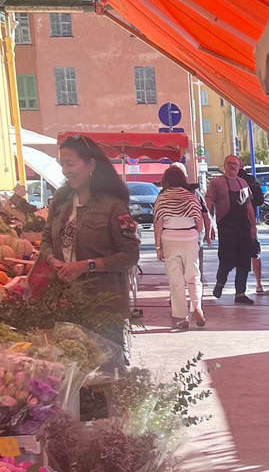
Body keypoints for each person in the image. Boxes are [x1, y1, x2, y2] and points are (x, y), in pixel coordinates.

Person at [38, 134, 140, 350]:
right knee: (71, 368)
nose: (65, 170)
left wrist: (85, 266)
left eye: (70, 163)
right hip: (64, 302)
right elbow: (46, 239)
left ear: (91, 164)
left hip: (102, 304)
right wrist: (52, 260)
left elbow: (130, 255)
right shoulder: (60, 198)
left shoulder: (113, 205)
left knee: (106, 371)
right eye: (62, 164)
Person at [153, 165, 206, 330]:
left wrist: (158, 247)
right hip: (190, 237)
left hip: (169, 238)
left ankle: (181, 317)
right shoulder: (191, 197)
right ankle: (196, 306)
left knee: (176, 281)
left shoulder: (162, 198)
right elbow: (199, 224)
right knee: (193, 275)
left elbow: (158, 224)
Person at [206, 155, 257, 304]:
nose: (233, 166)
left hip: (243, 227)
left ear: (239, 166)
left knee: (244, 261)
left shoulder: (243, 183)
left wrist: (253, 226)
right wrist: (209, 227)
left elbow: (248, 206)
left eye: (236, 164)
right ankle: (220, 283)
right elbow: (208, 204)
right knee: (226, 259)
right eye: (230, 164)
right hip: (226, 227)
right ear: (224, 166)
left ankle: (240, 294)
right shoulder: (216, 183)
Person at [237, 165, 265, 294]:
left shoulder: (228, 181)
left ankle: (242, 285)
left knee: (240, 254)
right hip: (250, 220)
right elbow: (260, 200)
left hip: (234, 222)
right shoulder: (251, 180)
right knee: (255, 252)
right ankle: (258, 284)